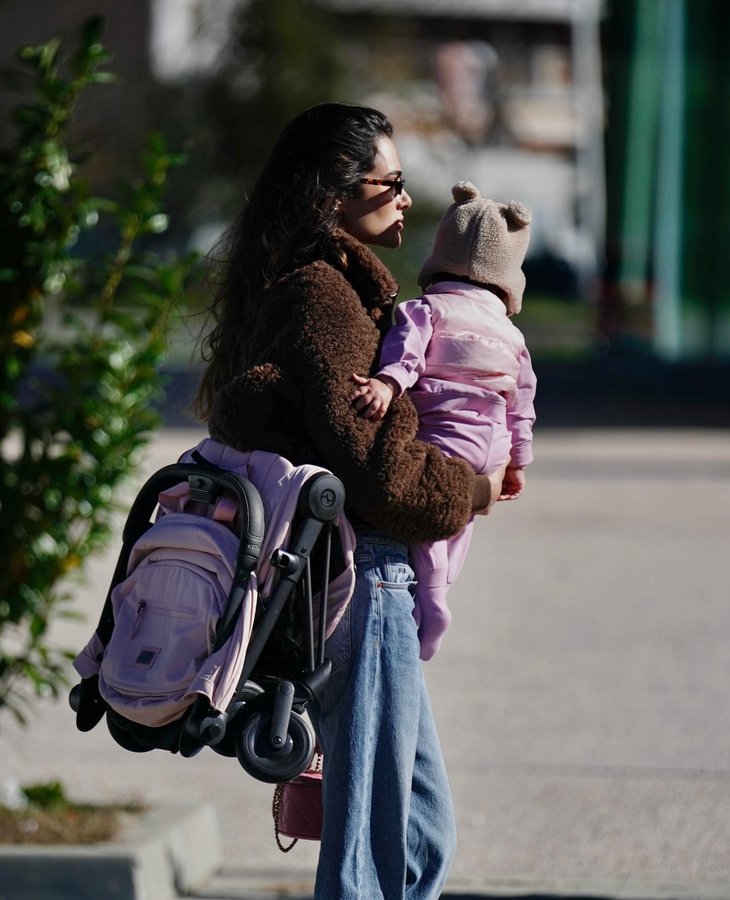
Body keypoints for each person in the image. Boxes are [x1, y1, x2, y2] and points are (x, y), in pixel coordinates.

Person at [195, 102, 507, 900]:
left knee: (418, 832)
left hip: (356, 582)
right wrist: (469, 488)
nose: (407, 197)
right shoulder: (326, 300)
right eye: (391, 181)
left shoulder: (323, 293)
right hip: (361, 581)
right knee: (372, 846)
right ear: (335, 193)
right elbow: (382, 474)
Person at [348, 181, 536, 661]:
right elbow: (522, 403)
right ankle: (444, 587)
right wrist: (517, 459)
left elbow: (405, 356)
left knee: (429, 519)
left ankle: (430, 599)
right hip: (490, 443)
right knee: (463, 518)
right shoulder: (512, 336)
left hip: (443, 435)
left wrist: (386, 386)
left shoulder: (426, 309)